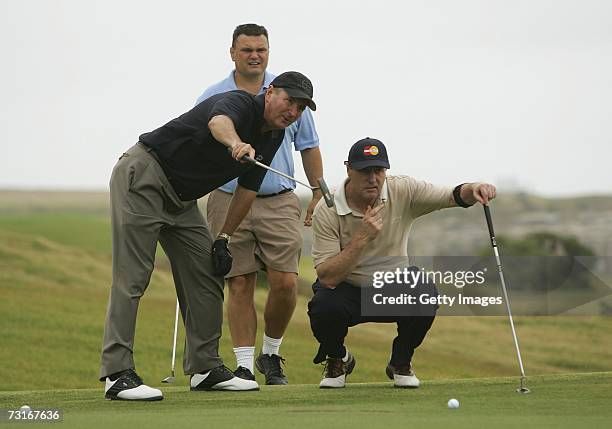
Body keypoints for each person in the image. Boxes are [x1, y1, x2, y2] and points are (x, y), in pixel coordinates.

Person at [99, 71, 317, 401]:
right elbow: (219, 123)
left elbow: (247, 189)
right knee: (133, 277)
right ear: (270, 92)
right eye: (289, 101)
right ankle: (117, 374)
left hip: (181, 198)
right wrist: (235, 143)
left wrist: (224, 237)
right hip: (144, 175)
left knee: (206, 270)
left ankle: (205, 369)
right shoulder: (241, 103)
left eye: (300, 108)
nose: (293, 112)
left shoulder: (273, 137)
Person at [307, 138, 496, 388]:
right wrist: (361, 239)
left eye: (379, 170)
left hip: (391, 287)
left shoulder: (402, 190)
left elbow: (451, 196)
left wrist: (473, 188)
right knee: (322, 307)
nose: (373, 178)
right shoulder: (327, 209)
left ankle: (401, 361)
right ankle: (338, 358)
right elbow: (328, 276)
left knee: (424, 292)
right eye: (365, 171)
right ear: (348, 169)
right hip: (346, 290)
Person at [196, 23, 323, 385]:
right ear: (233, 52)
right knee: (239, 283)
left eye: (261, 50)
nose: (255, 55)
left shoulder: (290, 95)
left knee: (284, 282)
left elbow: (309, 146)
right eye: (247, 49)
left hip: (279, 198)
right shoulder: (215, 94)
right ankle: (244, 365)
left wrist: (316, 191)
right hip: (226, 196)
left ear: (268, 52)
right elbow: (202, 141)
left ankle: (270, 354)